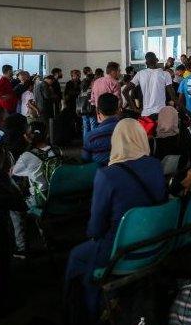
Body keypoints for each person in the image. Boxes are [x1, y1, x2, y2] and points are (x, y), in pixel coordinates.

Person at [66, 120, 166, 315]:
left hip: (118, 252)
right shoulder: (155, 166)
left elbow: (95, 230)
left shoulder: (106, 175)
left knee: (76, 257)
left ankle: (85, 314)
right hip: (154, 244)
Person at [12, 121, 60, 207]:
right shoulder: (56, 150)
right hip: (57, 193)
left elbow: (14, 172)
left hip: (41, 198)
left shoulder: (27, 156)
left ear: (29, 137)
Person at [131, 52, 174, 118]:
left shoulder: (140, 74)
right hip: (160, 113)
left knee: (147, 128)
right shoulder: (165, 74)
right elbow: (173, 96)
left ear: (146, 62)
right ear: (156, 60)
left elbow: (125, 91)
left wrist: (134, 108)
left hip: (145, 115)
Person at [82, 93, 121, 165]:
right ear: (118, 110)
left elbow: (85, 161)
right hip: (126, 174)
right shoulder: (129, 132)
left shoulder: (91, 136)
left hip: (99, 173)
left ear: (97, 111)